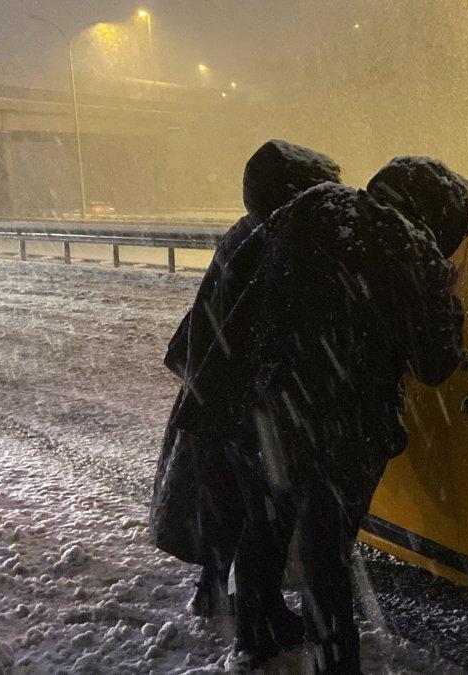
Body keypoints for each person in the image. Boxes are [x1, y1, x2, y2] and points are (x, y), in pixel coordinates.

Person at [172, 156, 468, 669]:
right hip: (345, 430)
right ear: (436, 216)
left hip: (265, 408)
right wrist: (447, 296)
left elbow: (237, 277)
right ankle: (335, 660)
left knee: (264, 524)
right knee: (326, 549)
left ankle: (256, 636)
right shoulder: (416, 253)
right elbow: (433, 364)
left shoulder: (314, 206)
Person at [150, 139, 342, 619]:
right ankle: (252, 607)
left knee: (222, 497)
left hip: (216, 384)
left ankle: (217, 591)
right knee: (254, 506)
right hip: (239, 394)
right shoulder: (275, 241)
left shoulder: (248, 232)